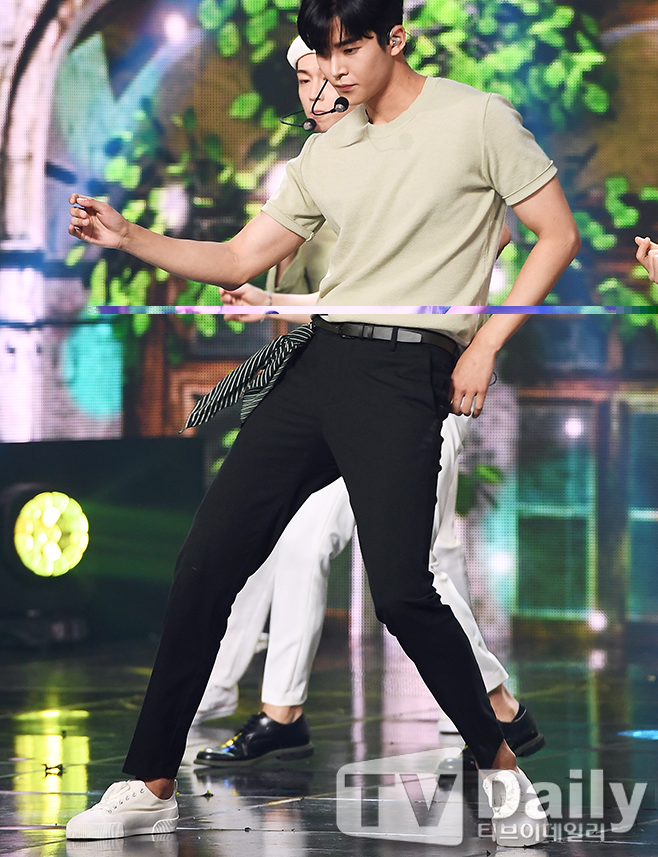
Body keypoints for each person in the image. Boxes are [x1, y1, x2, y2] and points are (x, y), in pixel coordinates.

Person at [65, 0, 580, 847]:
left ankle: (501, 767)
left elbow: (556, 234)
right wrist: (130, 235)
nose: (334, 70)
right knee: (203, 564)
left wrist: (485, 344)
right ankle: (147, 780)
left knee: (404, 594)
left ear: (395, 39)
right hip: (320, 364)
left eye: (349, 51)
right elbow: (239, 257)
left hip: (407, 374)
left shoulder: (477, 119)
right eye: (323, 53)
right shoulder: (326, 151)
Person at [192, 38, 541, 771]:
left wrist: (478, 338)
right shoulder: (316, 170)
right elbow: (324, 303)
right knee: (306, 546)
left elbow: (482, 247)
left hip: (415, 390)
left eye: (332, 69)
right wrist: (271, 291)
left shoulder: (430, 150)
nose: (319, 88)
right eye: (305, 76)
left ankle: (497, 710)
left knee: (418, 575)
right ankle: (280, 709)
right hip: (336, 392)